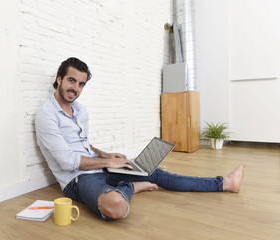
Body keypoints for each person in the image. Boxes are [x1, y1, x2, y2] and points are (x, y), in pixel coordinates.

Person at [35, 57, 245, 221]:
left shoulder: (80, 110)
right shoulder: (47, 115)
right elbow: (67, 161)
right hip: (78, 178)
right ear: (59, 79)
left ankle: (225, 183)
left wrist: (105, 154)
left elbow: (81, 143)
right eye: (71, 80)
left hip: (99, 165)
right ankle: (133, 187)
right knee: (116, 207)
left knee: (157, 173)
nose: (76, 88)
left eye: (81, 84)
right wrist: (109, 162)